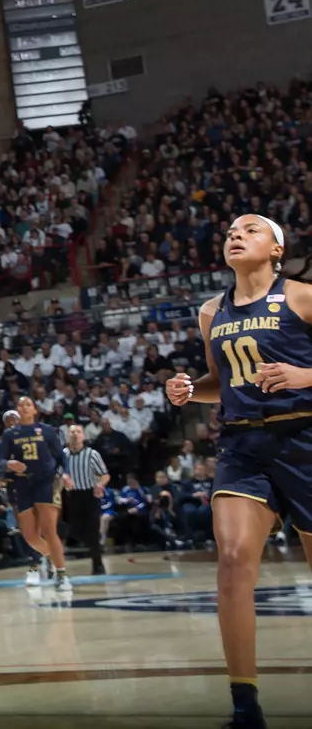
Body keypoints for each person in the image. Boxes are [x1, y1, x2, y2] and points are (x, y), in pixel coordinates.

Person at [167, 214, 312, 729]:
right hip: (243, 445)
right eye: (231, 230)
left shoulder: (301, 297)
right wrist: (190, 390)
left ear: (276, 248)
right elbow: (221, 381)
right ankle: (245, 706)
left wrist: (304, 374)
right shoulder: (212, 311)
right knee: (231, 561)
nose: (235, 234)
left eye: (250, 229)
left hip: (305, 437)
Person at [0, 396, 72, 592]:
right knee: (30, 536)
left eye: (28, 404)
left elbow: (62, 457)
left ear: (35, 409)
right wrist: (9, 464)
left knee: (49, 529)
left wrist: (67, 475)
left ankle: (62, 574)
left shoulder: (47, 431)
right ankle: (53, 559)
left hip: (46, 482)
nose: (24, 407)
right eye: (20, 404)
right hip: (22, 484)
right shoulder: (9, 435)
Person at [60, 424, 110, 576]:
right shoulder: (63, 454)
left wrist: (100, 485)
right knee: (74, 530)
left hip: (89, 495)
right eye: (72, 432)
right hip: (71, 496)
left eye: (78, 432)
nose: (75, 434)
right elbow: (57, 473)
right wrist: (62, 478)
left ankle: (98, 565)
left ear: (83, 436)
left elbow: (104, 474)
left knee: (93, 532)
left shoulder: (92, 454)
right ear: (68, 436)